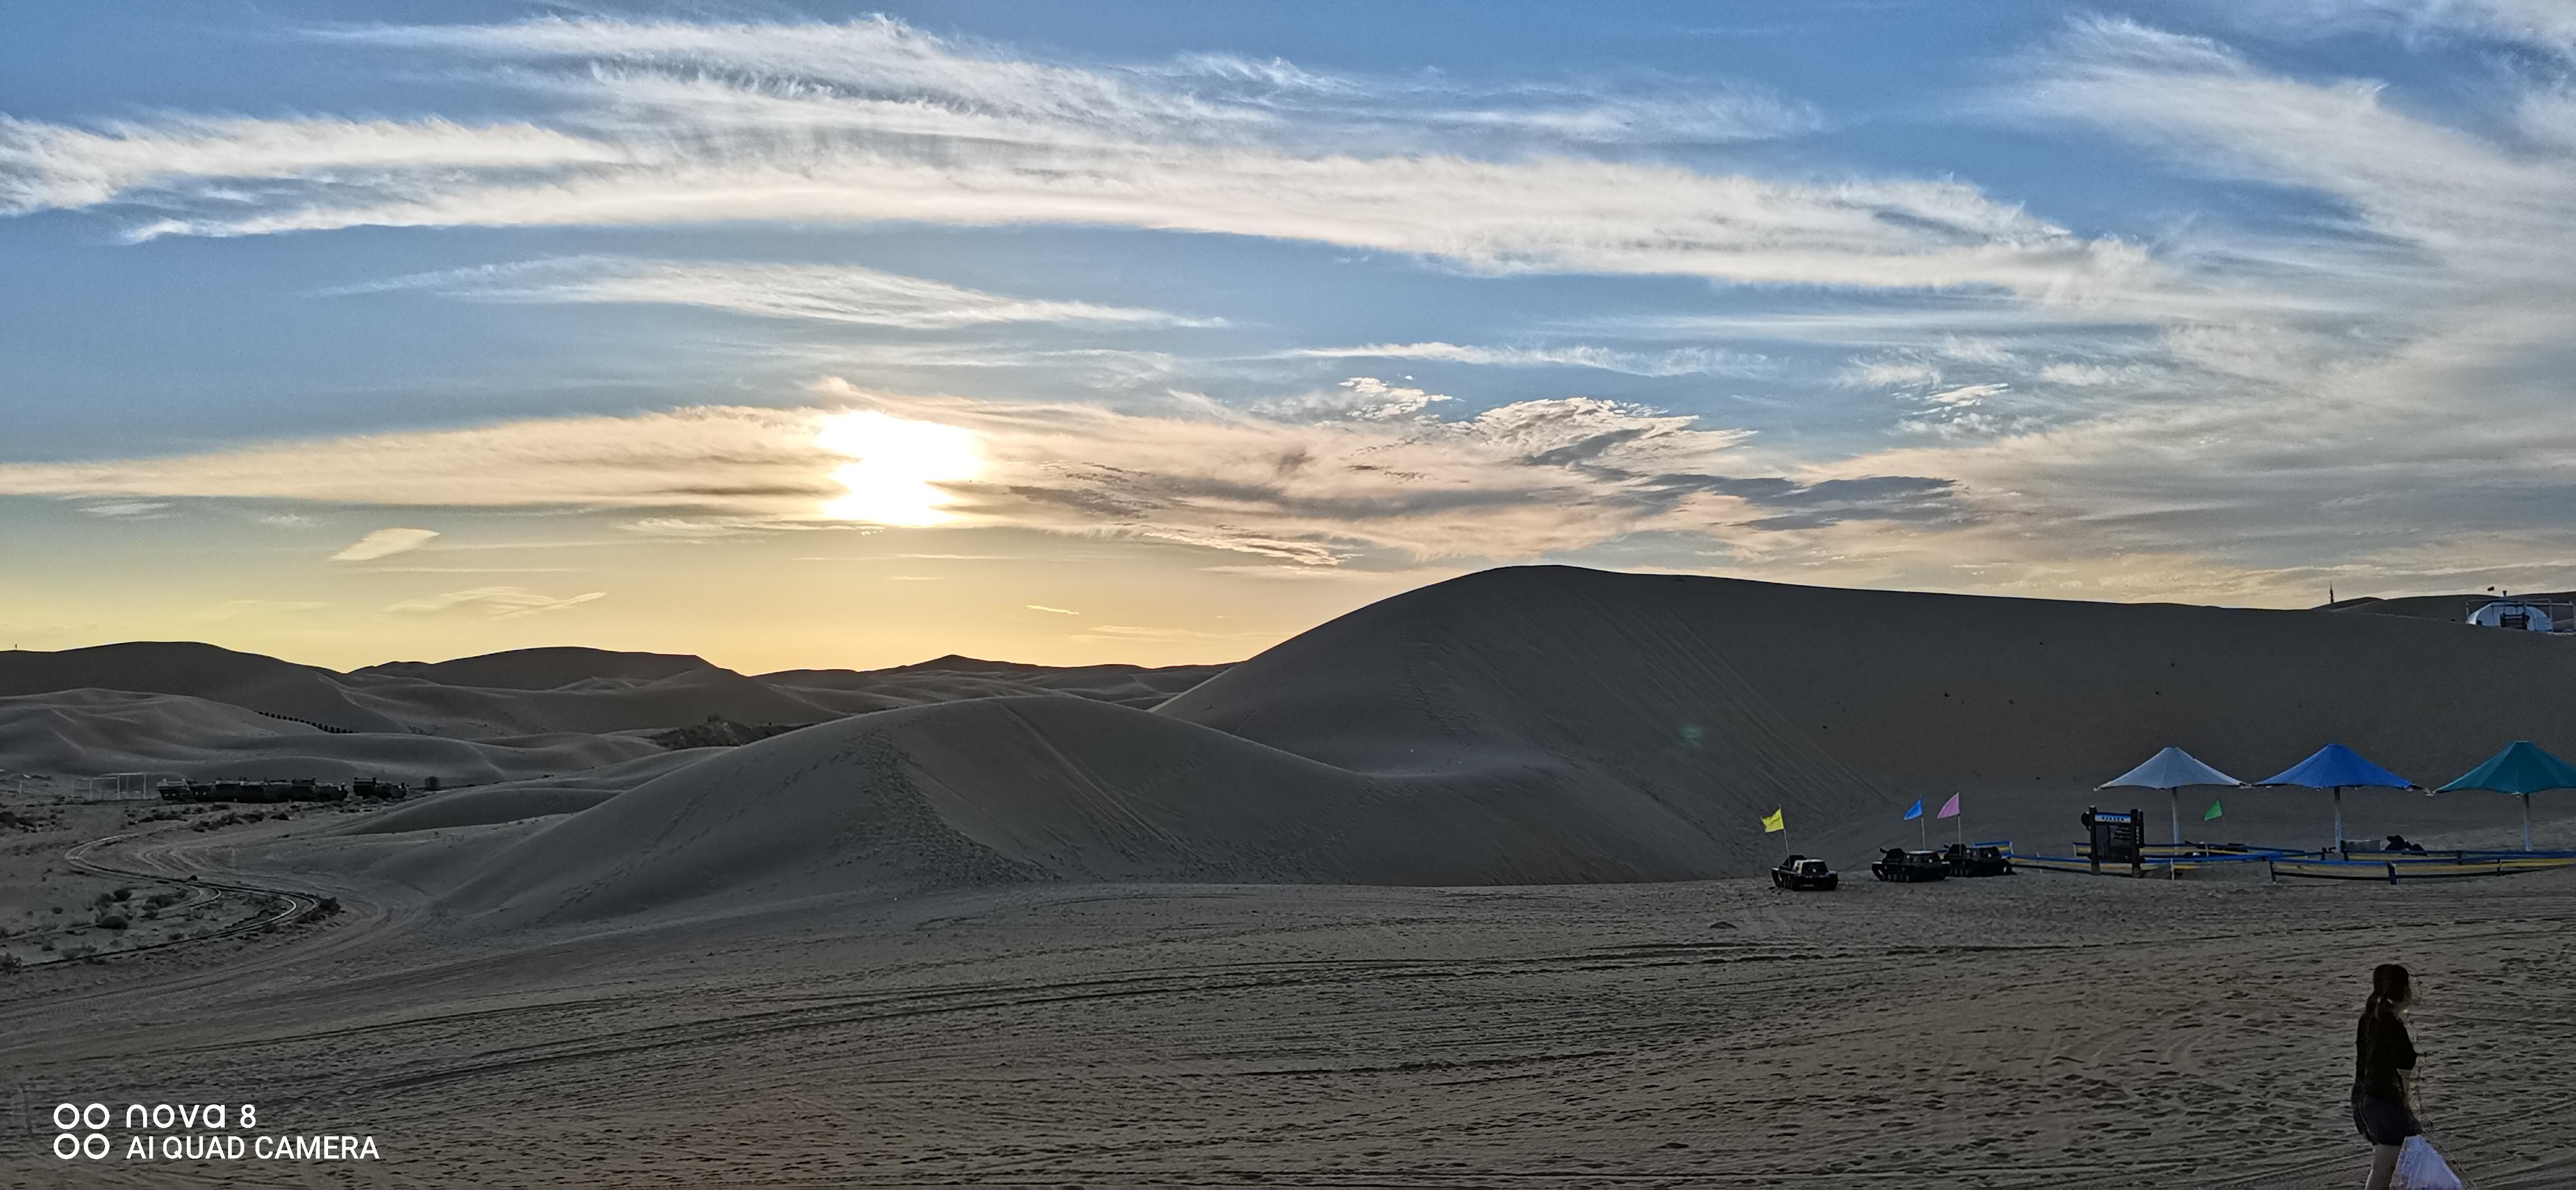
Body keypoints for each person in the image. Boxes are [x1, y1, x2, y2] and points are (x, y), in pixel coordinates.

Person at [2353, 964, 2421, 1190]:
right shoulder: (2391, 1025)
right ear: (2402, 990)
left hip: (2366, 1100)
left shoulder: (2368, 1020)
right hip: (2385, 1102)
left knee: (2388, 1165)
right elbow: (2404, 1072)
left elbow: (2362, 1064)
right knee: (2386, 1166)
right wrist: (2407, 1106)